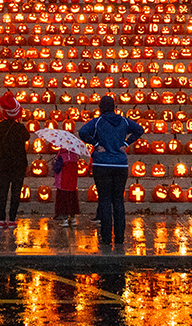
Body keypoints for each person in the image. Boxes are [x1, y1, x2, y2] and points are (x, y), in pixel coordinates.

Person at [78, 94, 143, 247]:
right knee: (118, 200)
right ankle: (119, 237)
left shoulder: (97, 122)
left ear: (100, 108)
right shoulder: (124, 121)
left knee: (105, 200)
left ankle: (106, 237)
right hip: (120, 165)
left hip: (102, 165)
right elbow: (139, 129)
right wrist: (126, 143)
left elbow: (82, 132)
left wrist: (96, 143)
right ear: (114, 108)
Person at [0, 90, 29, 228]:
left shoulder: (0, 126)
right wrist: (20, 122)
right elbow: (27, 137)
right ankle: (12, 218)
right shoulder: (20, 128)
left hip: (3, 163)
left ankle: (1, 219)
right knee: (15, 192)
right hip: (18, 165)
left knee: (2, 191)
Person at [54, 147, 81, 227]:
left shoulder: (62, 156)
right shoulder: (75, 157)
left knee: (64, 200)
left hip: (63, 182)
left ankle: (65, 219)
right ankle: (73, 218)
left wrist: (55, 161)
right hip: (72, 182)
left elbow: (57, 168)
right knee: (72, 199)